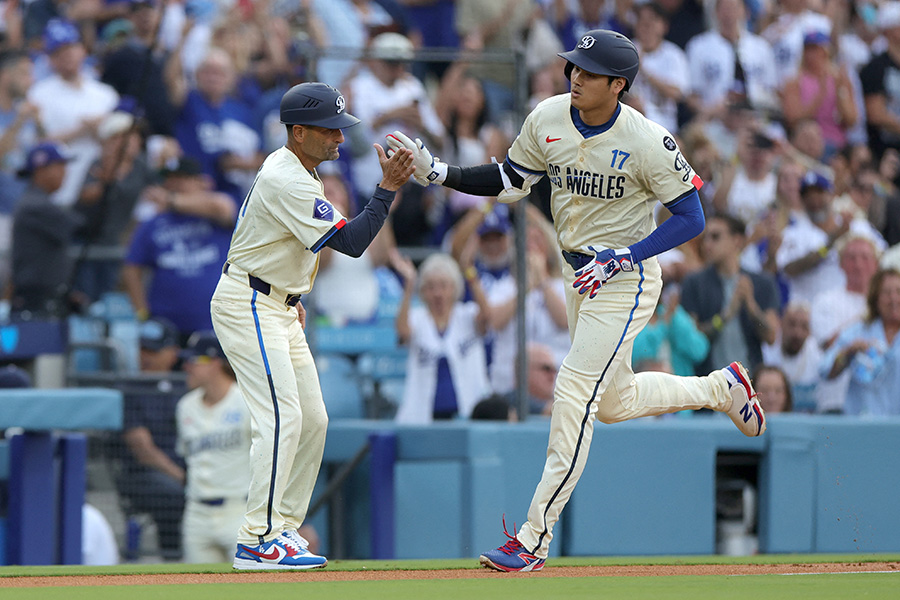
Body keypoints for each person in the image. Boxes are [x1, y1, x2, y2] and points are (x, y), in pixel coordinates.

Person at [385, 29, 767, 573]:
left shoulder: (648, 139)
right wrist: (439, 172)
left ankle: (533, 537)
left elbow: (692, 217)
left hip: (624, 278)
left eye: (588, 72)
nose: (575, 77)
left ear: (619, 85)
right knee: (611, 403)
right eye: (573, 67)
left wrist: (627, 255)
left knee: (573, 389)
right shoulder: (548, 116)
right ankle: (720, 388)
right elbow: (512, 179)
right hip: (575, 273)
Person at [209, 82, 414, 570]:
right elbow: (353, 242)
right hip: (250, 302)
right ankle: (256, 538)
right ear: (298, 132)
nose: (339, 139)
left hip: (279, 303)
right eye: (329, 130)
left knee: (314, 419)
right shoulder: (288, 177)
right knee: (282, 418)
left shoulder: (303, 170)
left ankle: (281, 528)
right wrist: (386, 190)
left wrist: (294, 294)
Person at [121, 156, 236, 339]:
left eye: (182, 178)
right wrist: (143, 313)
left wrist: (171, 201)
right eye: (169, 179)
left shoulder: (215, 213)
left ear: (201, 182)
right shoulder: (153, 222)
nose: (174, 184)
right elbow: (131, 268)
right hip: (166, 324)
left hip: (217, 322)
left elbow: (224, 207)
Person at [175, 331, 251, 564]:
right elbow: (187, 458)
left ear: (215, 362)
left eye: (195, 361)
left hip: (240, 509)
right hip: (197, 513)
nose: (187, 367)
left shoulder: (246, 401)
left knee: (250, 587)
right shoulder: (185, 406)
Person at [392, 252, 492, 424]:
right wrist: (409, 286)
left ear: (454, 288)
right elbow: (403, 332)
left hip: (468, 409)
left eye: (444, 286)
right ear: (422, 291)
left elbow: (487, 317)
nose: (438, 293)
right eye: (430, 287)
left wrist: (471, 276)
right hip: (423, 413)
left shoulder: (466, 314)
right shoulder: (417, 317)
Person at [117, 317, 187, 561]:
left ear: (173, 353)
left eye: (153, 350)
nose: (145, 356)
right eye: (142, 348)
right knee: (173, 494)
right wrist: (183, 478)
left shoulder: (186, 386)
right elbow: (142, 449)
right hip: (142, 475)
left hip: (187, 469)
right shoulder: (130, 388)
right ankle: (174, 559)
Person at [680, 214, 780, 376]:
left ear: (737, 240)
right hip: (708, 386)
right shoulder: (694, 283)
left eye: (716, 237)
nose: (707, 244)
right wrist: (725, 316)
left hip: (751, 384)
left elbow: (771, 336)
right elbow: (691, 340)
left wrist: (751, 305)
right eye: (706, 238)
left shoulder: (762, 283)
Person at [10, 141, 82, 317]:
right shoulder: (35, 205)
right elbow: (83, 228)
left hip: (45, 297)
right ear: (41, 170)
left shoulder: (38, 201)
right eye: (60, 166)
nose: (65, 172)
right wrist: (103, 189)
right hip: (36, 299)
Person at [821, 268, 900, 416]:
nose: (894, 299)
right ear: (875, 299)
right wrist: (848, 351)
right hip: (863, 424)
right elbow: (826, 370)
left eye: (898, 292)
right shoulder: (858, 331)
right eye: (887, 293)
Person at [761, 301, 821, 413]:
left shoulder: (817, 356)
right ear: (781, 323)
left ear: (810, 331)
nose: (797, 333)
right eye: (792, 324)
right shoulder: (766, 351)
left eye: (804, 327)